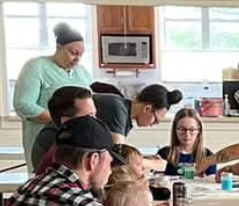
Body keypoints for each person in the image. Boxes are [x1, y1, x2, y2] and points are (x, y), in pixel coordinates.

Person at [13, 22, 91, 167]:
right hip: (46, 140)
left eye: (81, 55)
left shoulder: (82, 73)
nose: (77, 59)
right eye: (73, 53)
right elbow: (24, 104)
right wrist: (63, 122)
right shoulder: (36, 67)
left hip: (78, 142)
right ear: (59, 47)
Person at [31, 85, 96, 176]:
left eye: (94, 115)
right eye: (88, 116)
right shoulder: (55, 139)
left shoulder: (80, 134)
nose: (95, 121)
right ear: (66, 121)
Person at [94, 84, 184, 144]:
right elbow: (119, 152)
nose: (152, 125)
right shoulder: (118, 108)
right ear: (147, 109)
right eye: (155, 120)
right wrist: (152, 163)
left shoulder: (125, 117)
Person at [157, 108, 215, 176]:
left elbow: (212, 183)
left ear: (199, 131)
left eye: (192, 129)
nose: (187, 134)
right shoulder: (163, 154)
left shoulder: (209, 156)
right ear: (175, 130)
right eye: (182, 129)